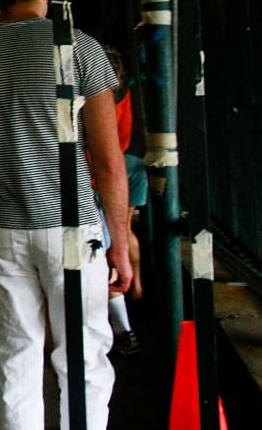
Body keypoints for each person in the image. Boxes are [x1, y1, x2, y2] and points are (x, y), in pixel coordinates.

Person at [0, 0, 132, 430]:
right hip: (72, 230)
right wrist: (122, 242)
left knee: (12, 359)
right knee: (83, 359)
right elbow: (108, 161)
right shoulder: (79, 48)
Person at [102, 45, 146, 355]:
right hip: (127, 162)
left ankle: (122, 329)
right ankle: (137, 285)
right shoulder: (123, 92)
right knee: (124, 229)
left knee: (104, 245)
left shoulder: (92, 92)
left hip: (99, 170)